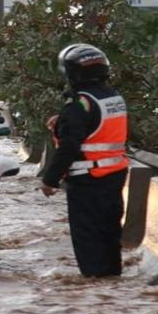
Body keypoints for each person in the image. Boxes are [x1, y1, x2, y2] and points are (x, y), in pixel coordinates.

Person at [40, 43, 129, 278]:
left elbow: (70, 146)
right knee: (110, 239)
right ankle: (111, 291)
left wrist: (50, 180)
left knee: (90, 245)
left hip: (87, 182)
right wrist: (63, 121)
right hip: (114, 177)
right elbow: (96, 127)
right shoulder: (113, 98)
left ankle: (96, 299)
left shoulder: (80, 104)